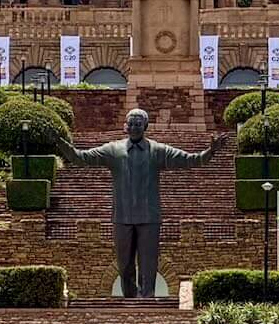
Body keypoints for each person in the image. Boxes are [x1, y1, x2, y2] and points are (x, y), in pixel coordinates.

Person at [65, 108, 222, 298]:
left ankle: (147, 300)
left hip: (149, 218)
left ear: (145, 126)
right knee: (124, 266)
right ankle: (130, 300)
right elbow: (81, 158)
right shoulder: (113, 150)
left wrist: (209, 152)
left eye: (138, 124)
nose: (134, 128)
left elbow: (189, 160)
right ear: (126, 126)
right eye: (130, 124)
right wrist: (61, 144)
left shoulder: (157, 150)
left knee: (148, 265)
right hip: (122, 217)